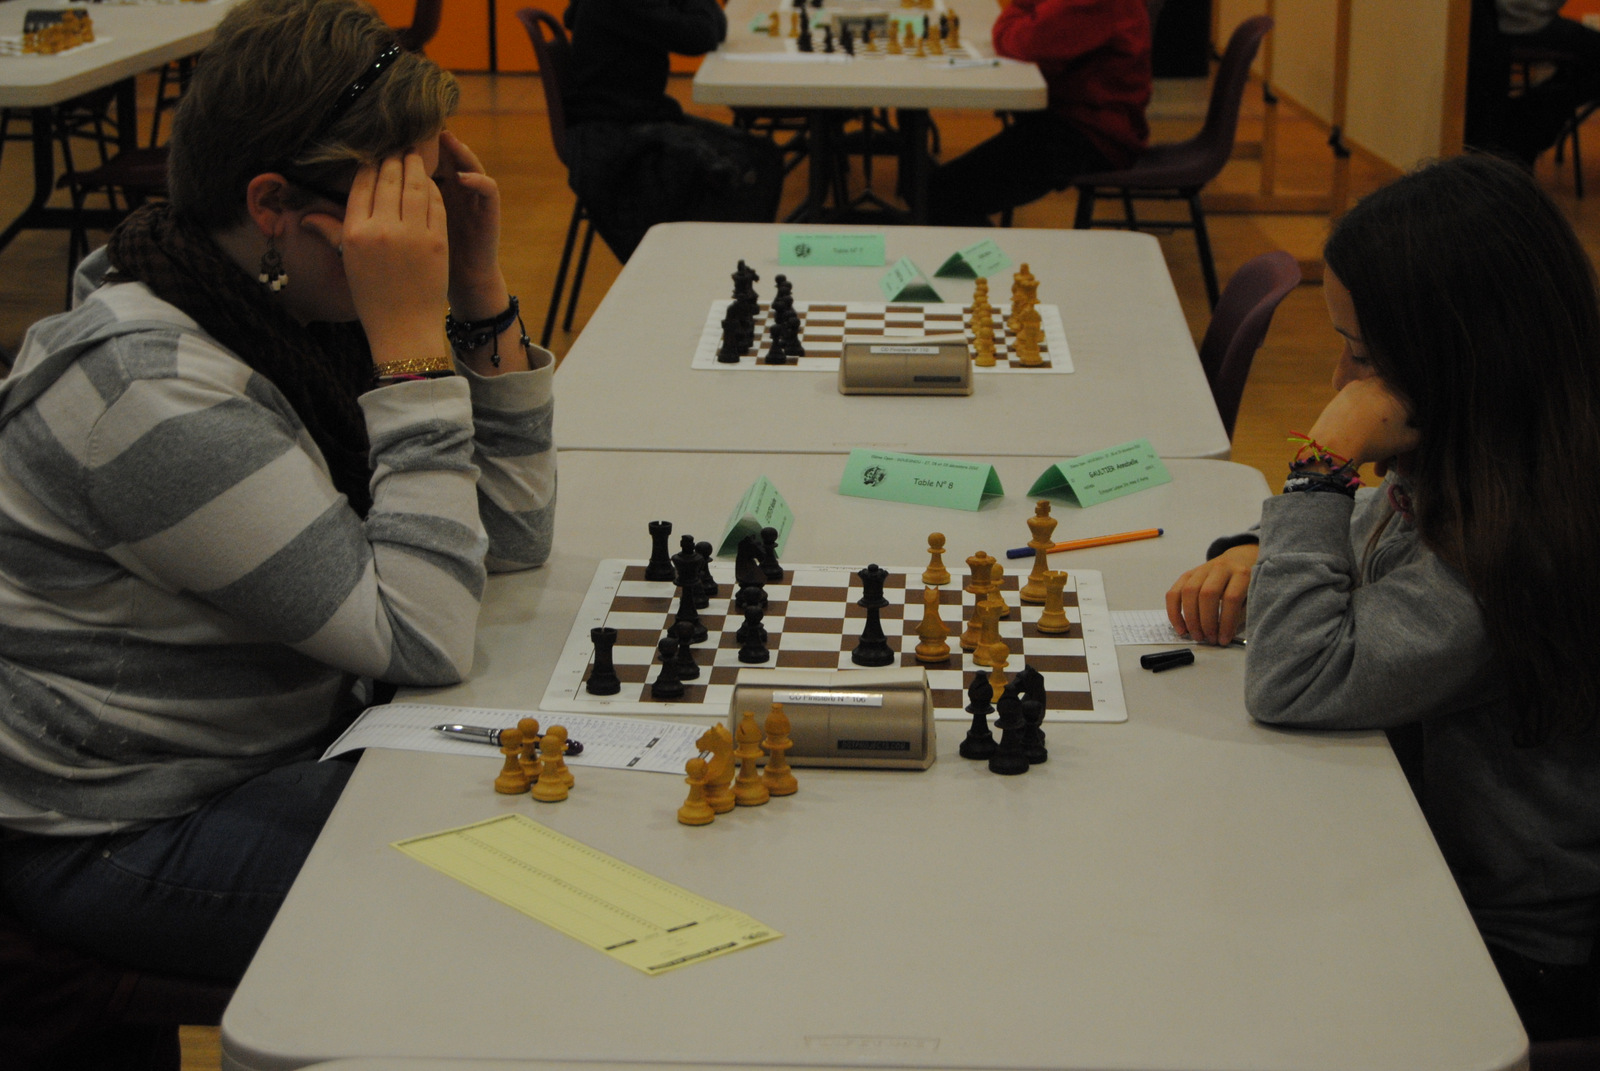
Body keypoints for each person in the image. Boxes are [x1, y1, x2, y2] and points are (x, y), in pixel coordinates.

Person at [0, 0, 556, 991]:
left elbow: (507, 541)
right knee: (522, 916)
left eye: (427, 201)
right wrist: (415, 355)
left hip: (279, 744)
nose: (418, 238)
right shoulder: (151, 392)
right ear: (271, 206)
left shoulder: (279, 313)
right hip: (123, 825)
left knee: (560, 827)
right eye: (391, 210)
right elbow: (425, 635)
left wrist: (477, 292)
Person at [1166, 153, 1600, 1042]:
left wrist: (1317, 472)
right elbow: (1375, 528)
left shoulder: (1511, 545)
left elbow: (1295, 679)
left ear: (1462, 359)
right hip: (1418, 851)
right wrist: (1259, 546)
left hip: (1499, 948)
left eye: (1363, 357)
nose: (1339, 385)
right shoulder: (1498, 458)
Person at [562, 0, 785, 261]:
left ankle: (734, 263)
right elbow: (701, 35)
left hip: (628, 117)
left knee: (763, 154)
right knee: (753, 164)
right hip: (610, 136)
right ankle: (723, 266)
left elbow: (714, 28)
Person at [926, 0, 1151, 226]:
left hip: (1089, 136)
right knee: (935, 190)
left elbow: (1021, 41)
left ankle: (990, 252)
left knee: (941, 195)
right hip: (1075, 120)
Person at [1494, 0, 1600, 164]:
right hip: (1521, 22)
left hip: (1511, 20)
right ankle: (1524, 125)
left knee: (1577, 73)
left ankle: (1524, 121)